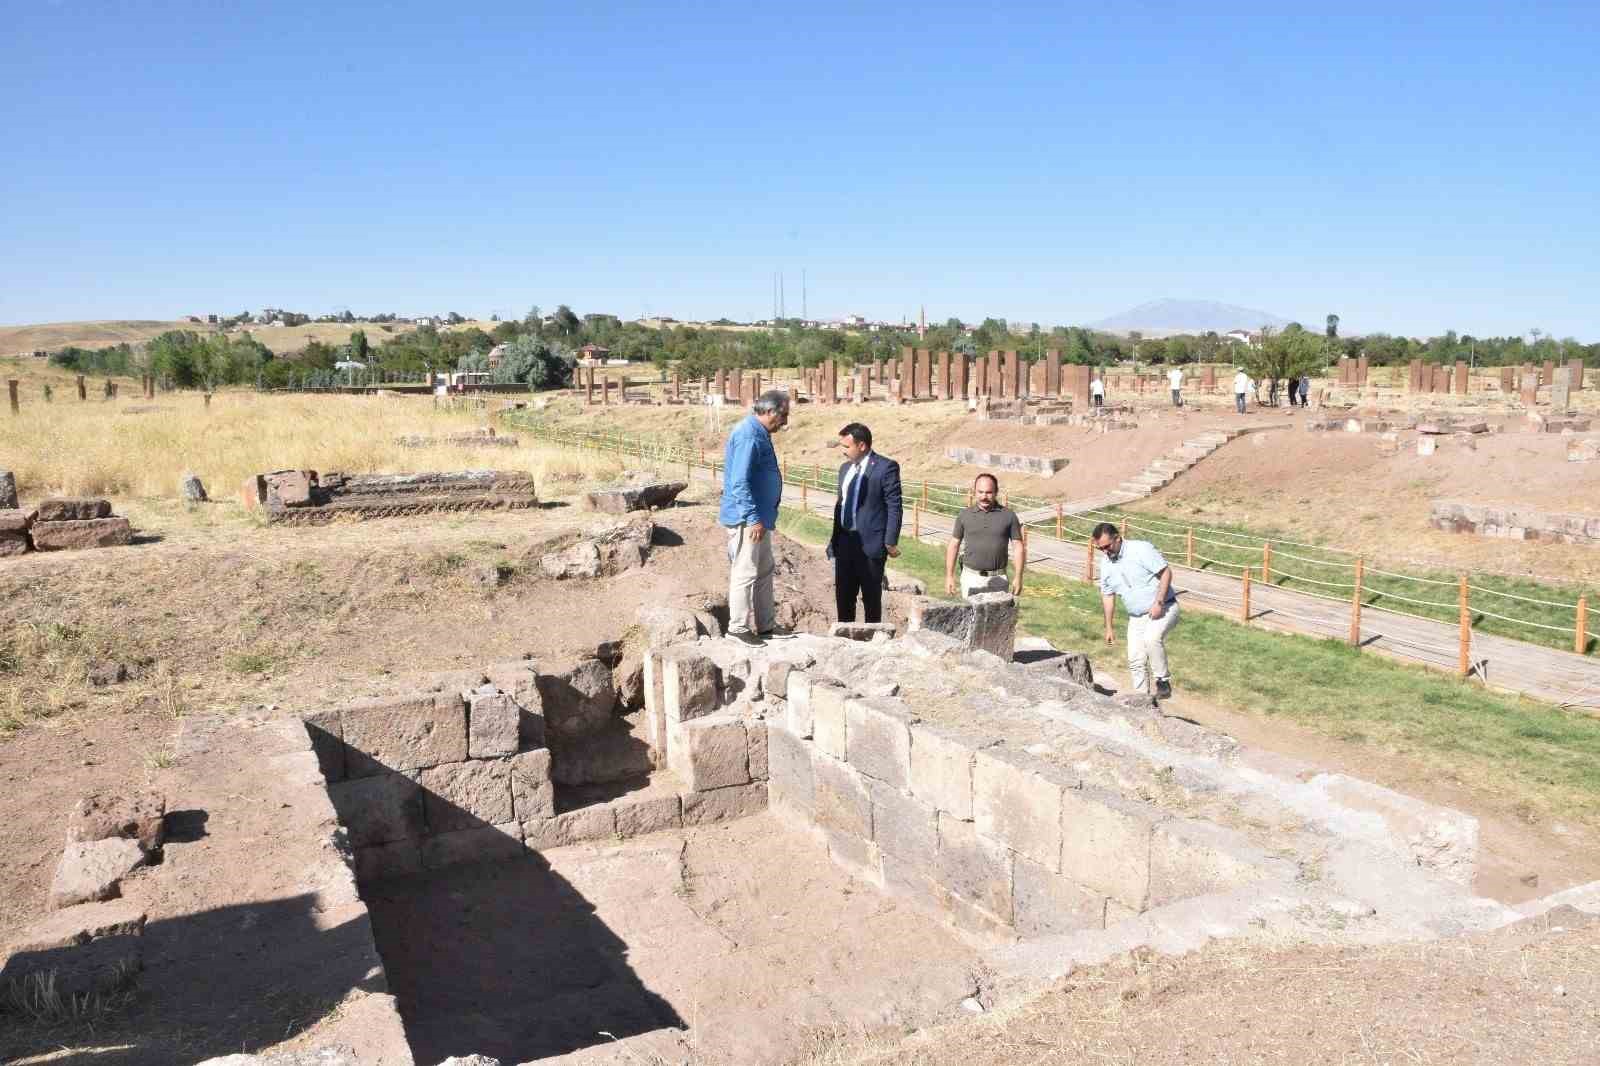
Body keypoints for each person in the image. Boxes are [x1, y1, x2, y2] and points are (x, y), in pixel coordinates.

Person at [719, 389, 789, 645]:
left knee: (763, 571)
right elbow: (738, 482)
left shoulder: (759, 432)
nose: (785, 422)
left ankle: (766, 626)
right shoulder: (748, 434)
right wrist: (752, 517)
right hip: (746, 519)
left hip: (759, 517)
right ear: (770, 411)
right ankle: (737, 628)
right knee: (745, 571)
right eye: (783, 415)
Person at [1093, 521, 1179, 699]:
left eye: (1107, 546)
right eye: (1100, 549)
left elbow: (1166, 573)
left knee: (1152, 638)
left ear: (1117, 538)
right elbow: (1107, 595)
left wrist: (1159, 602)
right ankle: (1142, 700)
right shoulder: (1106, 564)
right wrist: (1109, 627)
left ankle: (1162, 681)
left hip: (1164, 607)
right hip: (1136, 617)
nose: (1105, 551)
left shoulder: (1141, 549)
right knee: (1135, 660)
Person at [828, 422, 902, 624]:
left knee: (871, 600)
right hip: (845, 544)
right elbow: (840, 506)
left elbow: (894, 506)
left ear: (862, 446)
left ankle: (873, 643)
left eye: (846, 447)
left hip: (871, 545)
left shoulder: (885, 467)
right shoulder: (845, 470)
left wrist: (890, 541)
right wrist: (834, 540)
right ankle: (845, 643)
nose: (843, 452)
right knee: (844, 599)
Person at [945, 473, 1025, 599]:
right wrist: (949, 576)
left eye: (988, 492)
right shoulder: (964, 515)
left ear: (996, 492)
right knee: (970, 618)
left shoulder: (1009, 516)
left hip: (998, 580)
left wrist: (1018, 577)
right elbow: (953, 545)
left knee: (999, 618)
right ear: (974, 492)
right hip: (970, 579)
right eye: (980, 492)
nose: (984, 496)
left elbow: (1018, 547)